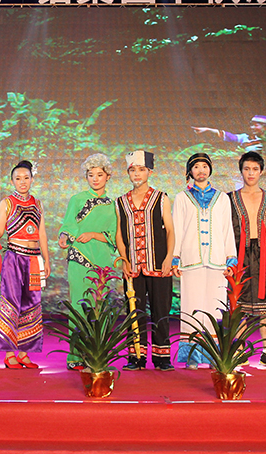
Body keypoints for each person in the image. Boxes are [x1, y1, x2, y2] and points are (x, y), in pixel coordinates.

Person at [172, 152, 237, 369]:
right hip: (191, 260)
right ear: (189, 171)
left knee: (215, 308)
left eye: (204, 166)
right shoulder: (182, 198)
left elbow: (227, 230)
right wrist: (175, 257)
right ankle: (192, 355)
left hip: (217, 261)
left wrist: (230, 259)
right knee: (191, 306)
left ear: (210, 169)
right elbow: (177, 229)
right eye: (196, 167)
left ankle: (213, 355)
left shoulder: (222, 198)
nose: (201, 170)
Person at [0, 161, 51, 369]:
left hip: (34, 259)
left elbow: (42, 234)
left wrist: (46, 259)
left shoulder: (37, 204)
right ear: (12, 181)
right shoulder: (7, 203)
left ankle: (24, 353)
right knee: (11, 301)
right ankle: (8, 354)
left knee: (32, 303)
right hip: (14, 258)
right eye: (18, 178)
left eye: (26, 178)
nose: (22, 182)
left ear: (32, 179)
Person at [115, 150, 176, 371]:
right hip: (133, 266)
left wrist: (169, 257)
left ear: (150, 172)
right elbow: (119, 234)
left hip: (158, 263)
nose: (137, 174)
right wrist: (124, 260)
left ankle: (162, 358)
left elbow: (170, 230)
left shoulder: (161, 198)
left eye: (141, 170)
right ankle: (136, 357)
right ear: (128, 173)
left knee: (161, 310)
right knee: (135, 312)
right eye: (133, 170)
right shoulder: (121, 202)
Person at [58, 153, 118, 371]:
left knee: (98, 306)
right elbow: (68, 225)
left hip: (101, 260)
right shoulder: (77, 199)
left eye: (100, 174)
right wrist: (64, 237)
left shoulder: (113, 205)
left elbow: (114, 235)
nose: (95, 179)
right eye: (91, 175)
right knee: (78, 304)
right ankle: (75, 356)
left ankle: (96, 355)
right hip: (79, 257)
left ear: (108, 176)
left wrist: (93, 234)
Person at [227, 151, 266, 365]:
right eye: (247, 169)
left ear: (261, 172)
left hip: (265, 253)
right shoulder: (230, 198)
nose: (251, 173)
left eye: (255, 169)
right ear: (241, 171)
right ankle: (239, 351)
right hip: (239, 254)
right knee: (239, 304)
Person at [192, 115, 266, 152]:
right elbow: (229, 136)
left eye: (255, 125)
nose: (252, 128)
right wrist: (207, 129)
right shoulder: (245, 138)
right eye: (251, 125)